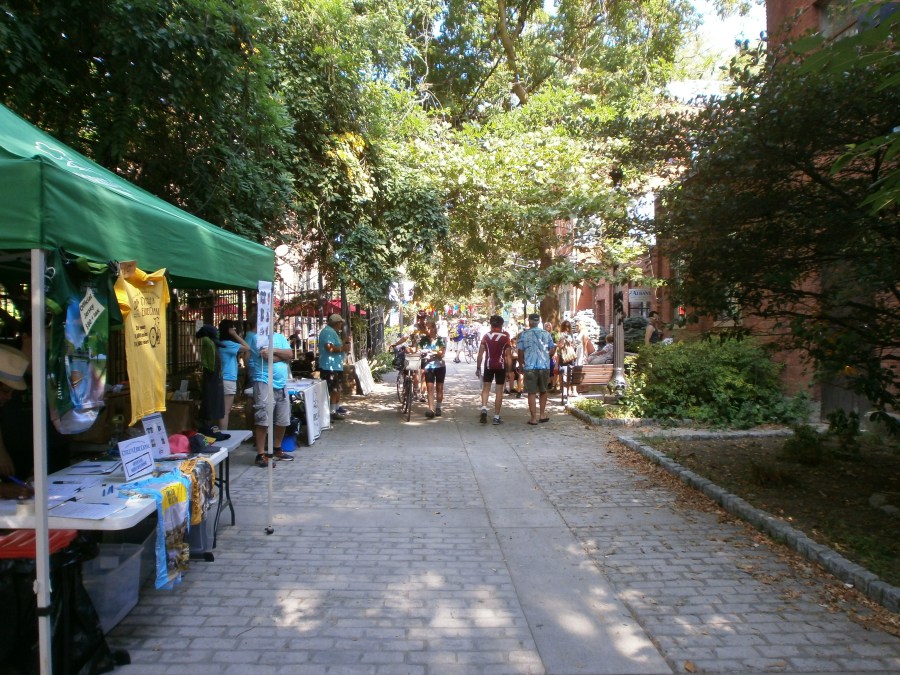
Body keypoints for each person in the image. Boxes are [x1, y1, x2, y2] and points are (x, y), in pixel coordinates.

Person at [246, 317, 294, 466]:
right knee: (263, 419)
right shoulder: (257, 338)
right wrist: (281, 356)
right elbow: (267, 356)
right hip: (264, 381)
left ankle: (277, 448)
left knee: (283, 419)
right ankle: (261, 454)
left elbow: (290, 355)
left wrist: (275, 351)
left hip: (281, 384)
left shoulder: (280, 337)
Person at [516, 313, 555, 426]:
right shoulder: (546, 334)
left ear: (529, 321)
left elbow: (520, 351)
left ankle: (533, 418)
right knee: (543, 391)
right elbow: (552, 349)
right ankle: (542, 415)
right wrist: (547, 356)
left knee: (531, 392)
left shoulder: (524, 334)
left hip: (530, 367)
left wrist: (521, 364)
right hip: (544, 366)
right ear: (539, 322)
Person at [475, 315, 510, 425]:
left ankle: (484, 408)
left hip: (488, 365)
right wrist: (509, 371)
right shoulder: (505, 337)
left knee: (486, 388)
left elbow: (480, 354)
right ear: (501, 324)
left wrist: (478, 367)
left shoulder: (486, 336)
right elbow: (508, 356)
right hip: (501, 366)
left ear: (491, 324)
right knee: (499, 391)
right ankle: (496, 417)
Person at [217, 319, 250, 430]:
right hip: (228, 379)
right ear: (229, 330)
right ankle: (223, 433)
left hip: (221, 378)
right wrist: (235, 335)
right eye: (233, 328)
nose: (235, 329)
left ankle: (221, 431)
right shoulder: (228, 344)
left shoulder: (219, 343)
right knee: (225, 410)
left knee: (222, 409)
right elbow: (247, 347)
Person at [318, 313, 352, 420]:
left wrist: (344, 342)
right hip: (330, 366)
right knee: (334, 389)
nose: (341, 325)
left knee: (337, 388)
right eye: (340, 323)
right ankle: (332, 411)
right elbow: (329, 348)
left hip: (335, 366)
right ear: (337, 323)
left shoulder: (332, 332)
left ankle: (336, 408)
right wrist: (343, 348)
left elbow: (336, 346)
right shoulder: (328, 332)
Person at [196, 325, 225, 431]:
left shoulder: (212, 344)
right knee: (210, 405)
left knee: (214, 405)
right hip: (212, 379)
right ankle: (207, 428)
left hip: (216, 379)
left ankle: (210, 427)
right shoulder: (207, 342)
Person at [418, 320, 447, 418]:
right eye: (426, 328)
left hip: (440, 366)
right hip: (428, 366)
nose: (427, 330)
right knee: (430, 388)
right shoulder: (423, 340)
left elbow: (441, 353)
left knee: (439, 387)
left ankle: (438, 407)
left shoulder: (440, 339)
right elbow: (417, 349)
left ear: (434, 328)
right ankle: (431, 409)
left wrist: (432, 352)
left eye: (429, 328)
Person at [555, 320, 577, 404]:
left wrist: (556, 344)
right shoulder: (572, 335)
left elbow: (560, 346)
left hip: (563, 358)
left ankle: (565, 394)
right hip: (571, 358)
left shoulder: (561, 335)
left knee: (563, 376)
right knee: (569, 375)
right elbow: (574, 345)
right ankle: (569, 391)